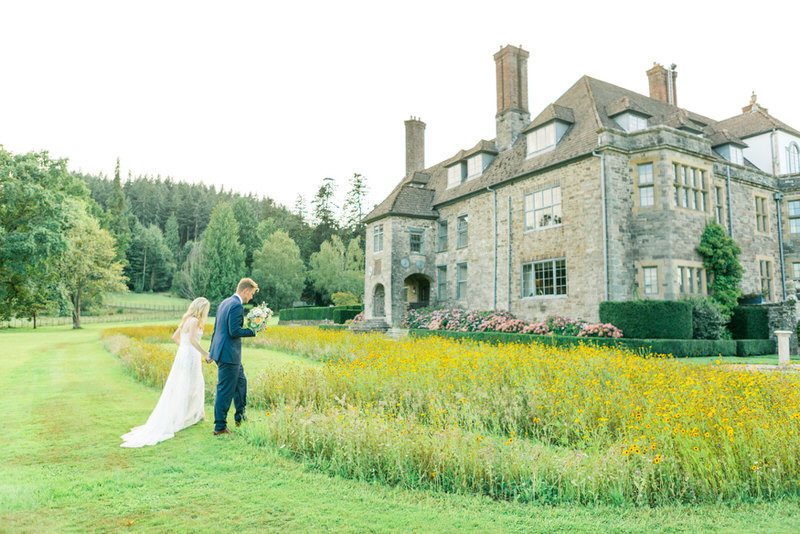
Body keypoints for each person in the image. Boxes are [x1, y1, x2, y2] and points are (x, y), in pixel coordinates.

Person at [120, 297, 211, 447]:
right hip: (191, 355)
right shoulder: (194, 321)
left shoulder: (187, 319)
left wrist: (184, 348)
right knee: (194, 384)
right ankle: (196, 415)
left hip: (184, 355)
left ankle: (197, 414)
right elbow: (194, 340)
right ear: (201, 308)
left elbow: (175, 337)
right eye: (206, 309)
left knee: (189, 384)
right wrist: (205, 353)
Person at [208, 278, 257, 435]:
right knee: (225, 390)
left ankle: (240, 417)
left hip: (223, 352)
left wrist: (211, 351)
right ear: (245, 291)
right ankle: (220, 426)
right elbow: (234, 331)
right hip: (228, 355)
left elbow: (217, 329)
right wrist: (253, 330)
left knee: (241, 383)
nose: (251, 298)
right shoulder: (236, 305)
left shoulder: (224, 302)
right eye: (251, 294)